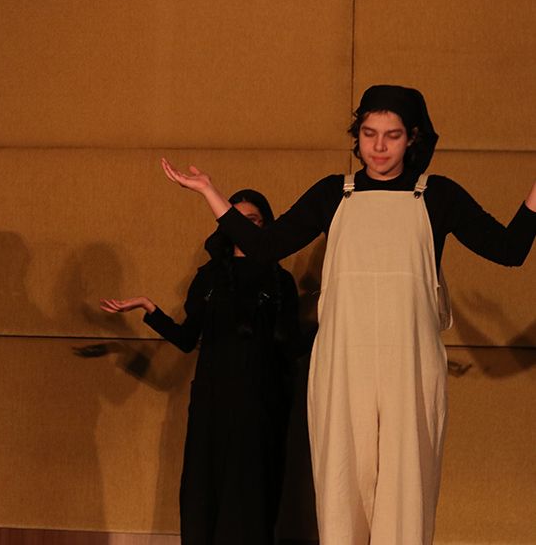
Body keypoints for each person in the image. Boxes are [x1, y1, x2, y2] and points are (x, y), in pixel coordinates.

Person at [160, 85, 536, 545]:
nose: (379, 147)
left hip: (410, 366)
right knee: (342, 487)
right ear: (356, 136)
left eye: (392, 135)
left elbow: (509, 249)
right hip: (343, 365)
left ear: (412, 138)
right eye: (369, 133)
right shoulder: (333, 194)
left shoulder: (437, 195)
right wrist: (209, 192)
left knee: (406, 488)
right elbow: (263, 246)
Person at [101, 189, 300, 545]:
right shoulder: (210, 277)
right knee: (203, 491)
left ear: (265, 226)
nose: (242, 228)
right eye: (235, 220)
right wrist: (149, 308)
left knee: (251, 493)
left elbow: (291, 347)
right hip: (212, 401)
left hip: (259, 405)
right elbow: (186, 338)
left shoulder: (279, 281)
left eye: (251, 221)